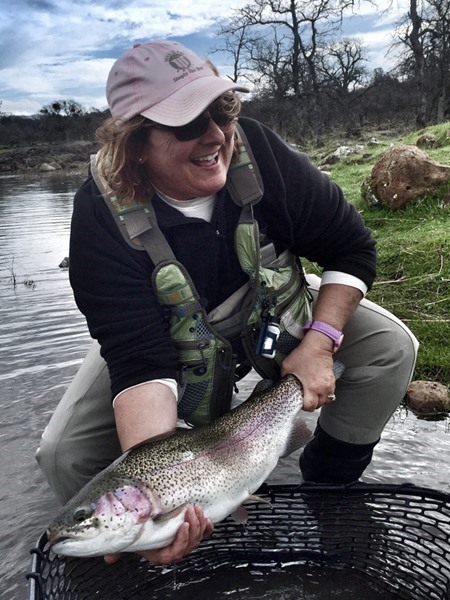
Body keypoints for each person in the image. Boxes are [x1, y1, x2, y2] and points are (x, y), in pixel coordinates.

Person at [36, 40, 418, 566]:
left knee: (392, 350)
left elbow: (350, 248)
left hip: (272, 305)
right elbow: (139, 361)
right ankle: (123, 552)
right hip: (163, 336)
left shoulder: (260, 153)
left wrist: (322, 342)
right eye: (188, 122)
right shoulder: (100, 219)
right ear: (135, 143)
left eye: (222, 110)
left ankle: (328, 488)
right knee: (64, 451)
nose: (216, 135)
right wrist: (162, 498)